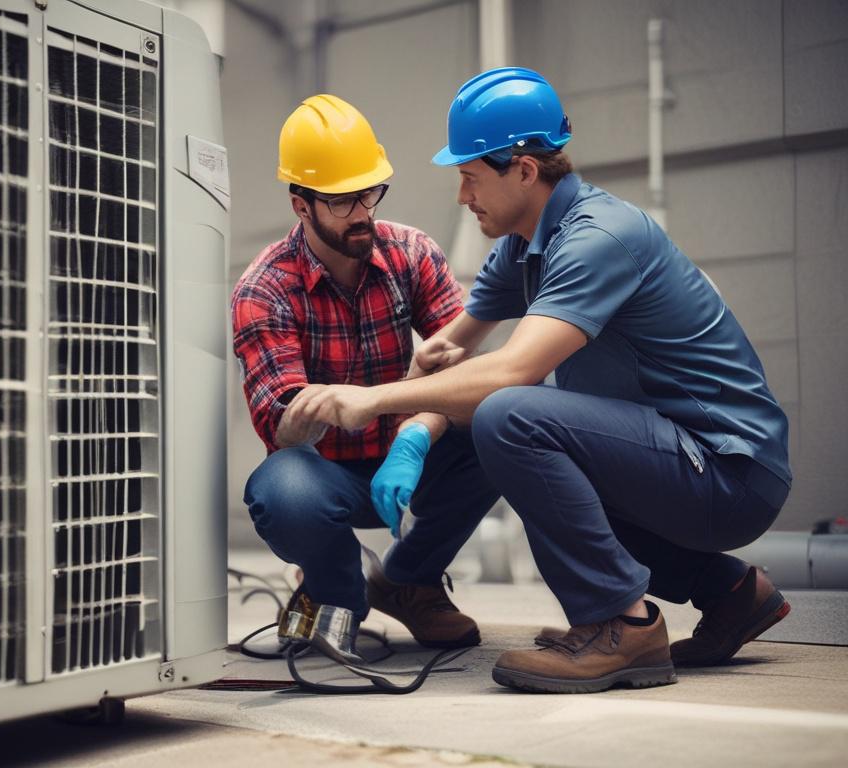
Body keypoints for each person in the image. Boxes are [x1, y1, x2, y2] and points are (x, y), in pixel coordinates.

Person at [294, 69, 792, 692]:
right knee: (531, 456)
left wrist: (373, 400)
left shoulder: (597, 238)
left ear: (523, 171)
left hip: (730, 471)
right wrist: (414, 433)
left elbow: (511, 372)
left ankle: (622, 625)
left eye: (470, 176)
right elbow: (451, 348)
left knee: (514, 417)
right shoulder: (527, 243)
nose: (461, 196)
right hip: (681, 459)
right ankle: (731, 593)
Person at [231, 95, 500, 655]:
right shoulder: (263, 290)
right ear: (300, 205)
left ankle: (409, 581)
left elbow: (465, 376)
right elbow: (281, 428)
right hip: (325, 474)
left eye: (370, 192)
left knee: (503, 422)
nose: (362, 212)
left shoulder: (411, 254)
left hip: (410, 454)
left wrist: (415, 431)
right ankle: (336, 589)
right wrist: (323, 410)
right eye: (341, 200)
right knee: (284, 491)